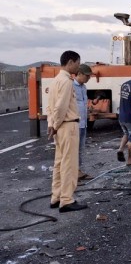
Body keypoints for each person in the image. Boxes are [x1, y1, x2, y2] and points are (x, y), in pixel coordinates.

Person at [47, 50, 88, 213]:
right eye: (78, 63)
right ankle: (66, 200)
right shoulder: (67, 82)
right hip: (68, 125)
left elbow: (50, 106)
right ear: (70, 62)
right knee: (69, 164)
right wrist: (56, 125)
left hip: (59, 126)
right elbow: (61, 106)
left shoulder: (55, 80)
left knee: (59, 163)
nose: (78, 66)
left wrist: (52, 124)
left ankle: (56, 197)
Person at [73, 64, 93, 181]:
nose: (88, 78)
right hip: (74, 123)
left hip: (83, 122)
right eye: (87, 76)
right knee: (73, 150)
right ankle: (73, 174)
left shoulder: (83, 87)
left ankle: (78, 171)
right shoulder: (70, 86)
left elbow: (82, 103)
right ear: (79, 74)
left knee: (80, 148)